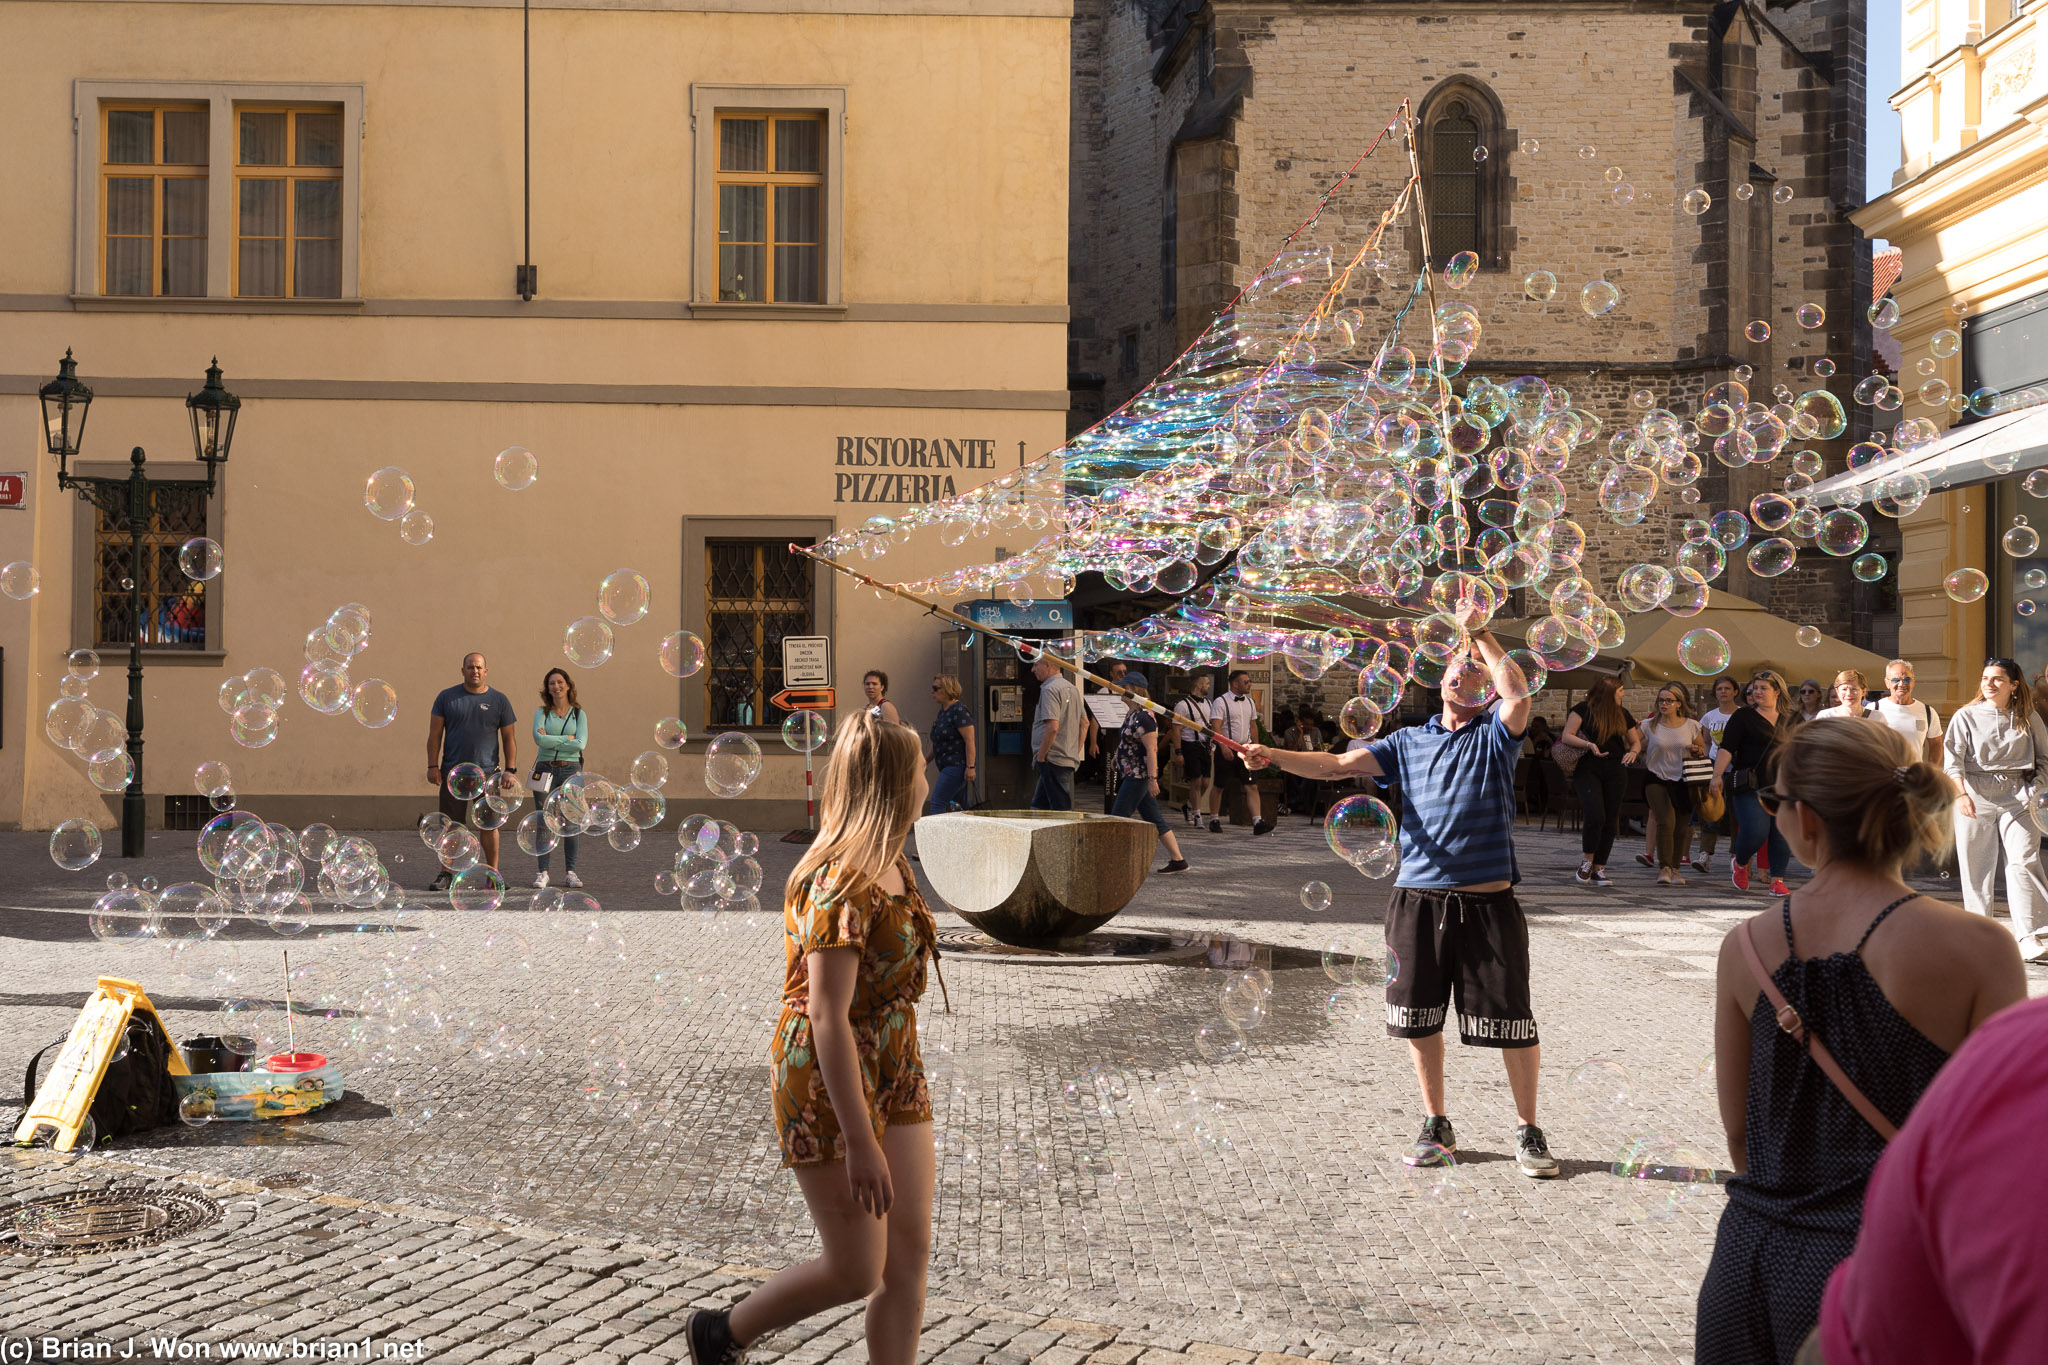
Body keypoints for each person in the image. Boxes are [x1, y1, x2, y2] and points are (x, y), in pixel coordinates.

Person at [1695, 718, 2025, 1365]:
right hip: (1889, 1268)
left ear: (1807, 820)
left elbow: (1739, 1134)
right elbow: (2003, 1148)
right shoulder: (1981, 949)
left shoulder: (1744, 948)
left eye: (1777, 800)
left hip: (1747, 1263)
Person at [1245, 612, 1560, 1180]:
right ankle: (1436, 1122)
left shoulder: (1496, 735)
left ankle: (1528, 1128)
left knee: (1513, 1017)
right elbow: (1338, 764)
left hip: (1489, 902)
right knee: (1418, 1017)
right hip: (1418, 898)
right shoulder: (1407, 742)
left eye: (1476, 673)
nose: (1465, 676)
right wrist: (1273, 757)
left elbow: (1517, 694)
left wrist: (1482, 636)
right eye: (1455, 669)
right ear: (1440, 683)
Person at [688, 710, 941, 1365]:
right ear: (891, 783)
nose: (929, 779)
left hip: (896, 1063)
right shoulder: (840, 883)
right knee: (859, 1267)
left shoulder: (893, 861)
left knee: (908, 1255)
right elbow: (826, 1014)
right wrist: (860, 1140)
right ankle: (721, 1333)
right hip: (827, 1076)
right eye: (919, 768)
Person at [1813, 995, 2048, 1365]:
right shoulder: (1985, 951)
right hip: (1861, 1244)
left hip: (1790, 1244)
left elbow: (1739, 1136)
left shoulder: (2017, 1040)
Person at [1943, 658, 2048, 962]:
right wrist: (1960, 794)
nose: (1988, 684)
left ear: (2014, 686)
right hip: (1975, 795)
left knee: (2024, 861)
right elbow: (1952, 760)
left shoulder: (2028, 717)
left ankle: (2032, 934)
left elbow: (2044, 759)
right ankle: (1979, 934)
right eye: (1985, 678)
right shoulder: (1966, 716)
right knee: (1977, 869)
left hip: (2019, 796)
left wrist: (2035, 789)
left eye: (1997, 679)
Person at [425, 653, 519, 888]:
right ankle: (446, 873)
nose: (474, 671)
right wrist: (432, 766)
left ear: (486, 671)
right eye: (470, 667)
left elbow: (509, 737)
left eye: (478, 667)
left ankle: (493, 874)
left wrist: (510, 769)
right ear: (462, 670)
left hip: (488, 774)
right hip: (452, 774)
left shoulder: (499, 700)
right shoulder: (447, 697)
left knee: (489, 825)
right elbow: (435, 735)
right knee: (451, 826)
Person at [1710, 670, 1798, 895]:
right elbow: (1727, 748)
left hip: (1782, 785)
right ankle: (1740, 862)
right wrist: (1717, 776)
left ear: (1777, 691)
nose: (1756, 692)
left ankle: (1777, 880)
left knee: (1781, 834)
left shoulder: (1792, 719)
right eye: (1754, 688)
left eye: (1763, 688)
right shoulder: (1743, 717)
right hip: (1750, 783)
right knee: (1755, 831)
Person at [1557, 676, 1642, 888]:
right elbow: (1567, 735)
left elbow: (1635, 742)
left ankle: (1599, 867)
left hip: (1616, 769)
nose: (1623, 694)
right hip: (1588, 768)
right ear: (1609, 692)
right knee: (1595, 814)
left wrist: (1633, 753)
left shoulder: (1623, 714)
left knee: (1611, 818)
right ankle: (1587, 861)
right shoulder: (1583, 709)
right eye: (1621, 690)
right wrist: (1589, 745)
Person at [1107, 677, 1189, 873]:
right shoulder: (1132, 713)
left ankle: (1113, 862)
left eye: (1124, 687)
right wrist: (1117, 758)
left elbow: (1151, 750)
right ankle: (1178, 860)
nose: (1121, 691)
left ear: (1134, 690)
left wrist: (1152, 779)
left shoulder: (1144, 717)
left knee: (1118, 817)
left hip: (1139, 775)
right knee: (1155, 819)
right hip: (1132, 773)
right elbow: (1128, 743)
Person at [1642, 684, 1707, 887]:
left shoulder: (1691, 725)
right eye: (1661, 700)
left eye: (1669, 700)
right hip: (1656, 777)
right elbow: (1634, 744)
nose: (1664, 704)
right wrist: (1634, 749)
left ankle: (1675, 868)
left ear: (1679, 704)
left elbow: (1702, 749)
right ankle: (1665, 867)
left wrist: (1696, 749)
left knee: (1681, 827)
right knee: (1666, 822)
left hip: (1684, 780)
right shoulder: (1648, 725)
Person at [531, 667, 587, 889]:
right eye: (552, 683)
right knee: (544, 821)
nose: (556, 686)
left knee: (571, 822)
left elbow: (581, 744)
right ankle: (542, 872)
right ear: (547, 689)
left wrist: (552, 738)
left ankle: (570, 872)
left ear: (568, 685)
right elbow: (539, 740)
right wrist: (568, 738)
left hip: (571, 769)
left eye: (560, 682)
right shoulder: (541, 713)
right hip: (544, 769)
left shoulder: (579, 714)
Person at [1208, 670, 1270, 835]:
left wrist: (1256, 747)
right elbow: (1216, 726)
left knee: (1252, 785)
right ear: (1235, 684)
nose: (1249, 684)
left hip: (1246, 750)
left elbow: (1253, 726)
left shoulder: (1250, 702)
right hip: (1227, 748)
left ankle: (1257, 821)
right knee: (1219, 785)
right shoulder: (1221, 701)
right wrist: (1223, 747)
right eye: (1246, 682)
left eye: (1249, 681)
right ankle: (1214, 819)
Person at [1693, 676, 1744, 872]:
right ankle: (1705, 854)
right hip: (1715, 765)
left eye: (1727, 688)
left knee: (1735, 811)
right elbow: (1706, 741)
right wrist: (1707, 762)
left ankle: (1736, 855)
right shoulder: (1709, 716)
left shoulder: (1742, 714)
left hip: (1736, 766)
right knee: (1711, 808)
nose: (1723, 692)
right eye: (1719, 689)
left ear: (1735, 692)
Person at [1028, 651, 1083, 811]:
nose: (1033, 669)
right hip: (1064, 756)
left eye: (1036, 665)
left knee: (1059, 809)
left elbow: (1052, 727)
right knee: (1040, 806)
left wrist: (1041, 756)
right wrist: (1075, 750)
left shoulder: (1049, 689)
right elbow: (1084, 722)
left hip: (1052, 758)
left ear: (1048, 665)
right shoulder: (1072, 688)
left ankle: (1065, 836)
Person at [1872, 660, 1941, 763]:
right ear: (1887, 683)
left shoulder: (1928, 712)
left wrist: (1930, 771)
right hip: (1882, 776)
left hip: (1914, 776)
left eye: (1907, 679)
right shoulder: (1873, 709)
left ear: (1913, 682)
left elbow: (1936, 743)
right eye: (1895, 680)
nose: (1901, 684)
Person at [924, 675, 975, 816]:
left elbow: (969, 740)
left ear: (947, 689)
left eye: (935, 688)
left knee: (937, 802)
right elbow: (936, 742)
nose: (932, 692)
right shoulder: (943, 712)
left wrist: (971, 767)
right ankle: (973, 834)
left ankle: (936, 837)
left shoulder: (959, 710)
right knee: (964, 808)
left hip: (956, 766)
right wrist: (924, 762)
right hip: (947, 766)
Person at [1169, 675, 1214, 827]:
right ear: (1199, 686)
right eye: (1207, 684)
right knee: (1196, 780)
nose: (1209, 686)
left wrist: (1211, 746)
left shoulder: (1208, 703)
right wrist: (1178, 752)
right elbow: (1176, 730)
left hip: (1205, 745)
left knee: (1206, 782)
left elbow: (1210, 727)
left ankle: (1188, 805)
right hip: (1190, 745)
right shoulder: (1182, 705)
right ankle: (1197, 815)